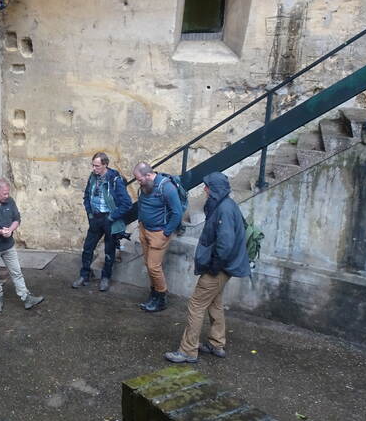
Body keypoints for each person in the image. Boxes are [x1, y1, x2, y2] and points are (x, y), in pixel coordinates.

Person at [164, 172, 250, 364]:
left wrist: (213, 267)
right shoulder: (225, 205)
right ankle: (216, 343)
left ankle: (188, 350)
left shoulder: (225, 209)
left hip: (219, 268)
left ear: (215, 189)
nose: (204, 189)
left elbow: (225, 243)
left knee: (195, 304)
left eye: (207, 187)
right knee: (214, 302)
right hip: (224, 266)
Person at [0, 178, 44, 313]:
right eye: (4, 193)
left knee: (17, 272)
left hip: (8, 246)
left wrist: (11, 230)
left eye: (8, 193)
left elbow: (17, 219)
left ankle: (26, 298)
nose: (7, 196)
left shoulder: (10, 201)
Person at [71, 152, 132, 292]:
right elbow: (86, 196)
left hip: (109, 219)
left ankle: (105, 278)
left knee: (109, 250)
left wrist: (112, 217)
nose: (94, 168)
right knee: (87, 248)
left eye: (97, 166)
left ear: (105, 164)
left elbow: (127, 203)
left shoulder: (114, 180)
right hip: (95, 218)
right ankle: (84, 275)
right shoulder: (92, 177)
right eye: (93, 165)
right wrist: (90, 213)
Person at [132, 163, 184, 313]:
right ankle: (153, 295)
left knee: (154, 267)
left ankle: (161, 298)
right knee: (148, 265)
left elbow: (177, 213)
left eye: (140, 179)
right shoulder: (146, 186)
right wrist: (141, 223)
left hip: (158, 234)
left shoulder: (167, 188)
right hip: (144, 230)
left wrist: (166, 233)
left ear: (148, 175)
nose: (138, 182)